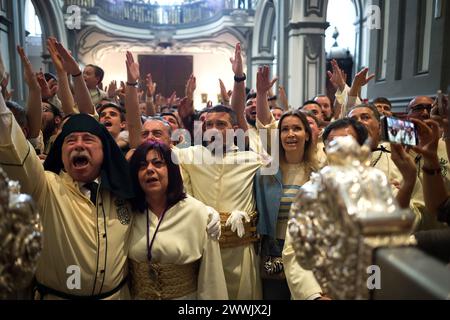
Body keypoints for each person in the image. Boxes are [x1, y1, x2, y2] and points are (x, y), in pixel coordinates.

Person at [0, 66, 135, 298]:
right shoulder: (44, 186)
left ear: (105, 151)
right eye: (70, 140)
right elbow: (12, 142)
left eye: (88, 139)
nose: (79, 145)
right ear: (60, 153)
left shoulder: (123, 190)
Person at [255, 65, 323, 300]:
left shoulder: (318, 171)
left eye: (297, 128)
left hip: (309, 254)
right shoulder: (270, 170)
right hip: (273, 253)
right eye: (285, 129)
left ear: (308, 134)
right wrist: (261, 95)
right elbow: (264, 125)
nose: (290, 134)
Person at [127, 141, 228, 299]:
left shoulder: (197, 213)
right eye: (142, 166)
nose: (149, 170)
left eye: (158, 163)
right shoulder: (129, 212)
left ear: (172, 170)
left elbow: (211, 279)